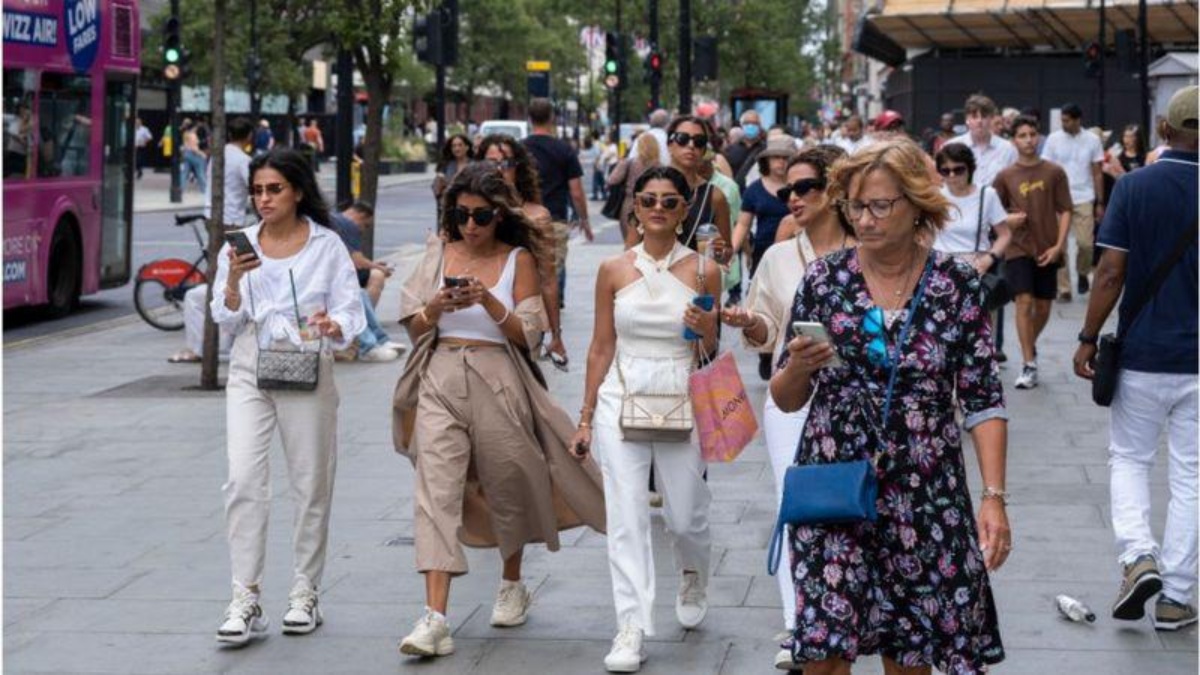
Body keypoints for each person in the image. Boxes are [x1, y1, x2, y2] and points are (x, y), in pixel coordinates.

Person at [771, 138, 1010, 673]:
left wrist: (993, 496)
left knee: (911, 652)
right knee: (826, 648)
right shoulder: (824, 281)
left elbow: (983, 398)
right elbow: (786, 398)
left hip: (925, 492)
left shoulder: (957, 285)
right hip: (835, 484)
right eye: (856, 206)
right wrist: (802, 364)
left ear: (916, 204)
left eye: (881, 205)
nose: (866, 218)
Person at [394, 164, 605, 659]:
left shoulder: (518, 260)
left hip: (500, 376)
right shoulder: (438, 252)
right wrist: (437, 307)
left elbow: (527, 335)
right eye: (462, 214)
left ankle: (512, 581)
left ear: (499, 215)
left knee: (506, 480)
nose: (471, 225)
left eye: (482, 215)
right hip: (442, 375)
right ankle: (435, 619)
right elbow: (413, 325)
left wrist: (488, 299)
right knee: (436, 491)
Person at [209, 147, 367, 644]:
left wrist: (332, 323)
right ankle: (245, 595)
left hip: (305, 357)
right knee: (242, 479)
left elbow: (350, 310)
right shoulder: (239, 246)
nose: (263, 198)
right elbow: (224, 317)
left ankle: (305, 591)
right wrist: (234, 280)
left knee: (309, 481)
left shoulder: (325, 245)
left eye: (274, 189)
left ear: (297, 190)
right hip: (251, 360)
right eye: (257, 190)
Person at [571, 166, 721, 673]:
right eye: (649, 199)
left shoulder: (704, 271)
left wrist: (707, 328)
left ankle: (693, 571)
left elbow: (712, 349)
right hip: (622, 391)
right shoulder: (613, 269)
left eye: (670, 201)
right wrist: (586, 416)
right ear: (634, 206)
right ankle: (630, 624)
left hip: (681, 390)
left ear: (683, 211)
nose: (658, 208)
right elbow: (600, 345)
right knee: (627, 513)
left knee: (686, 515)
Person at [720, 147, 853, 670]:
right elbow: (767, 330)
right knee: (793, 503)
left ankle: (852, 609)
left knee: (855, 502)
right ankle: (800, 622)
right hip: (792, 395)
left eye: (804, 189)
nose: (792, 199)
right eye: (786, 192)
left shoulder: (868, 248)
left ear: (835, 190)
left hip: (855, 398)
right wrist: (748, 324)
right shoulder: (778, 255)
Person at [1072, 85, 1199, 632]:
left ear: (1164, 132)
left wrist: (1087, 335)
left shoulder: (1134, 187)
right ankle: (1177, 595)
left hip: (1143, 354)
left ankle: (1137, 556)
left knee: (1129, 458)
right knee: (1192, 475)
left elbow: (1109, 273)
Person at [993, 116, 1072, 390]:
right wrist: (1008, 220)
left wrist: (1059, 245)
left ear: (1039, 137)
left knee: (1043, 306)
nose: (1028, 139)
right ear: (1014, 140)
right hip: (1017, 248)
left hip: (1047, 246)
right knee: (1024, 302)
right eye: (1022, 135)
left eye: (1032, 134)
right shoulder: (1005, 176)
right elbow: (994, 214)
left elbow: (1065, 210)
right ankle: (1029, 364)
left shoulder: (1054, 172)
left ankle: (1030, 345)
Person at [168, 117, 255, 364]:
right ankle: (218, 335)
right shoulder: (242, 159)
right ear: (248, 136)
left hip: (213, 216)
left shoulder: (217, 155)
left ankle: (218, 333)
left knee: (222, 271)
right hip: (231, 222)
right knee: (234, 272)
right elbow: (254, 187)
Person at [478, 133, 568, 366]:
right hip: (479, 315)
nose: (498, 170)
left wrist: (556, 334)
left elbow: (548, 278)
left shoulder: (537, 216)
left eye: (505, 163)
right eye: (490, 163)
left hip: (523, 316)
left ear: (517, 168)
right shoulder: (469, 214)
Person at [932, 142, 1015, 361]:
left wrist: (990, 257)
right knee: (942, 337)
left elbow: (1004, 234)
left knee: (978, 338)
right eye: (945, 170)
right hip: (940, 273)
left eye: (958, 169)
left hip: (976, 270)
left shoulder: (987, 196)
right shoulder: (935, 197)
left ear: (969, 168)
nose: (952, 176)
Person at [523, 98, 594, 305]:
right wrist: (584, 221)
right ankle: (555, 301)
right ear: (552, 118)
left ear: (529, 118)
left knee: (528, 265)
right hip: (554, 217)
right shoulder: (564, 150)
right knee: (552, 268)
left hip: (525, 217)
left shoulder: (521, 149)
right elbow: (577, 192)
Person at [1041, 103, 1105, 301]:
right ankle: (1064, 288)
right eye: (1062, 120)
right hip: (1058, 198)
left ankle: (1083, 271)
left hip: (1084, 196)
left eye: (1067, 120)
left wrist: (1100, 202)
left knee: (1085, 243)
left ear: (1078, 120)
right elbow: (1046, 169)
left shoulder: (1093, 140)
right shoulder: (1053, 139)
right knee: (1059, 245)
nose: (1063, 123)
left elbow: (1097, 173)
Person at [329, 201, 407, 362]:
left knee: (360, 293)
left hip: (334, 276)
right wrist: (379, 267)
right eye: (365, 226)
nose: (363, 231)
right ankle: (369, 346)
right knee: (356, 293)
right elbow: (356, 260)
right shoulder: (348, 225)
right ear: (361, 216)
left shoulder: (335, 220)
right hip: (329, 280)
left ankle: (379, 340)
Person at [665, 116, 732, 261]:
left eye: (699, 141)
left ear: (703, 151)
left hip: (694, 280)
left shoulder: (715, 196)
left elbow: (726, 254)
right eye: (682, 138)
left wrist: (717, 250)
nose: (691, 145)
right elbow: (632, 246)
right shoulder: (650, 188)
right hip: (653, 279)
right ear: (669, 144)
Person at [948, 94, 1018, 191]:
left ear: (991, 119)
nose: (979, 121)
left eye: (984, 116)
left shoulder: (1008, 149)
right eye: (974, 116)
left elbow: (1014, 184)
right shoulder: (950, 147)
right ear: (967, 119)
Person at [607, 132, 661, 247]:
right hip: (654, 205)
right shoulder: (661, 167)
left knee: (630, 244)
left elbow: (612, 180)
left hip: (630, 204)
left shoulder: (629, 163)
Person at [723, 109, 767, 190]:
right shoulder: (730, 150)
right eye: (747, 123)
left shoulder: (766, 150)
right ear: (741, 126)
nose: (750, 126)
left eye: (754, 123)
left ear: (760, 127)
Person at [432, 133, 472, 204]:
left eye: (460, 145)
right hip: (450, 206)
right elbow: (436, 188)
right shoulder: (446, 165)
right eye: (454, 146)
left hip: (469, 205)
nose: (457, 149)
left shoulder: (474, 164)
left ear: (467, 147)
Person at [180, 119, 207, 194]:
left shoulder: (186, 134)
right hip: (193, 154)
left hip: (186, 154)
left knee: (184, 173)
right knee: (201, 172)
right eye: (196, 128)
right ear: (194, 128)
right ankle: (204, 189)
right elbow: (194, 148)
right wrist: (202, 154)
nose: (197, 129)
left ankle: (181, 189)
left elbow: (185, 145)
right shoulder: (193, 135)